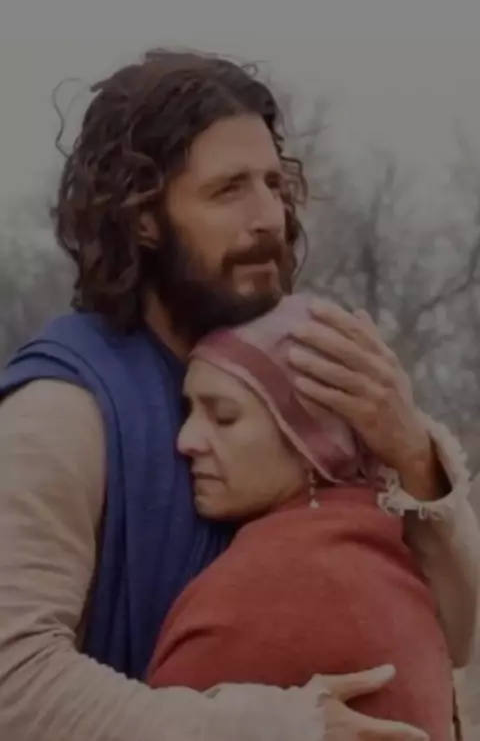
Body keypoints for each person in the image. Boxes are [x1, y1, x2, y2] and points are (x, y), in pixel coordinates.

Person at [0, 48, 477, 741]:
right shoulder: (63, 411)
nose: (268, 218)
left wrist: (413, 459)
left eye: (274, 185)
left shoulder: (300, 370)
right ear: (143, 216)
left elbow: (454, 638)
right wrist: (268, 726)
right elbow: (13, 685)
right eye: (228, 191)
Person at [146, 292, 479, 741]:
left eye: (223, 417)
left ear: (311, 438)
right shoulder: (378, 542)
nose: (186, 440)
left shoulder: (269, 587)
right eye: (188, 411)